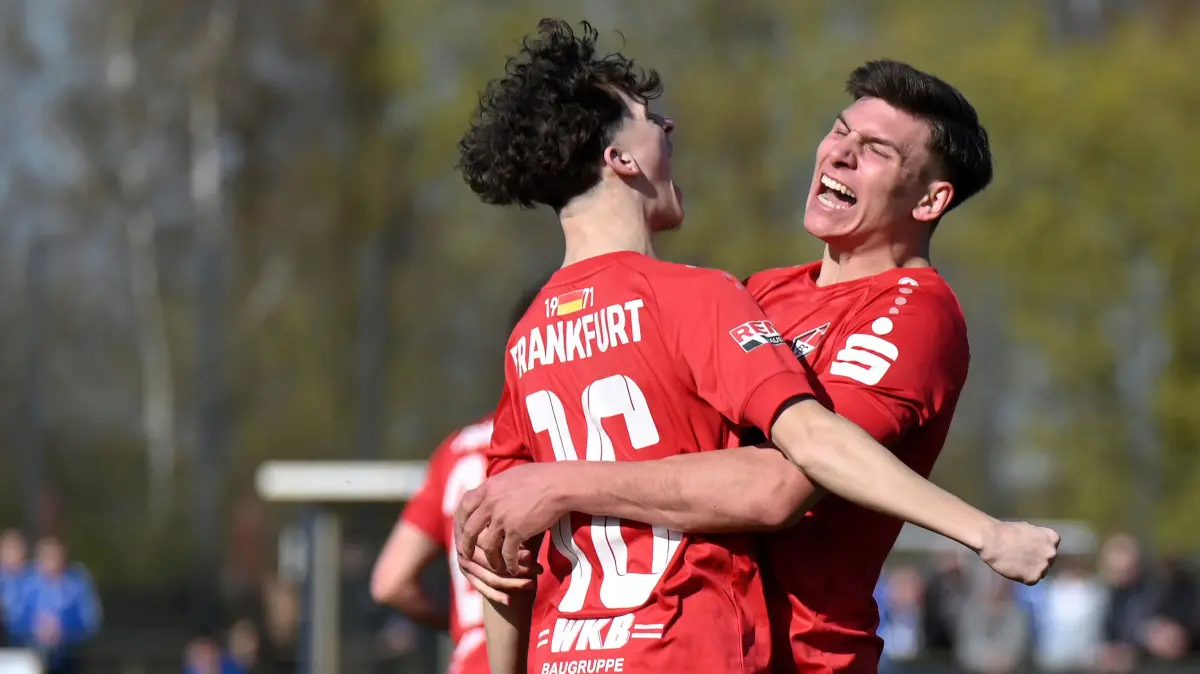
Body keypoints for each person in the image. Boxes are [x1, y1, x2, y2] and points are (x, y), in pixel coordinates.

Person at [453, 20, 1058, 674]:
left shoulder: (914, 312)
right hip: (672, 645)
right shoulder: (746, 293)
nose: (838, 153)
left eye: (877, 150)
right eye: (839, 130)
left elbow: (782, 483)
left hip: (797, 660)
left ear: (932, 197)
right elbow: (505, 529)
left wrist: (560, 484)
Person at [369, 281, 548, 674]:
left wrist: (459, 622)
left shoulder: (456, 449)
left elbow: (389, 580)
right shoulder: (554, 437)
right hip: (537, 656)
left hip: (467, 660)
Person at [8, 537, 102, 674]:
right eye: (47, 557)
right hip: (27, 656)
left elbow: (91, 620)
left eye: (55, 557)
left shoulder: (78, 583)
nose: (51, 562)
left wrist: (63, 629)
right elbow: (13, 619)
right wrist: (35, 627)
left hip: (70, 657)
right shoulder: (24, 584)